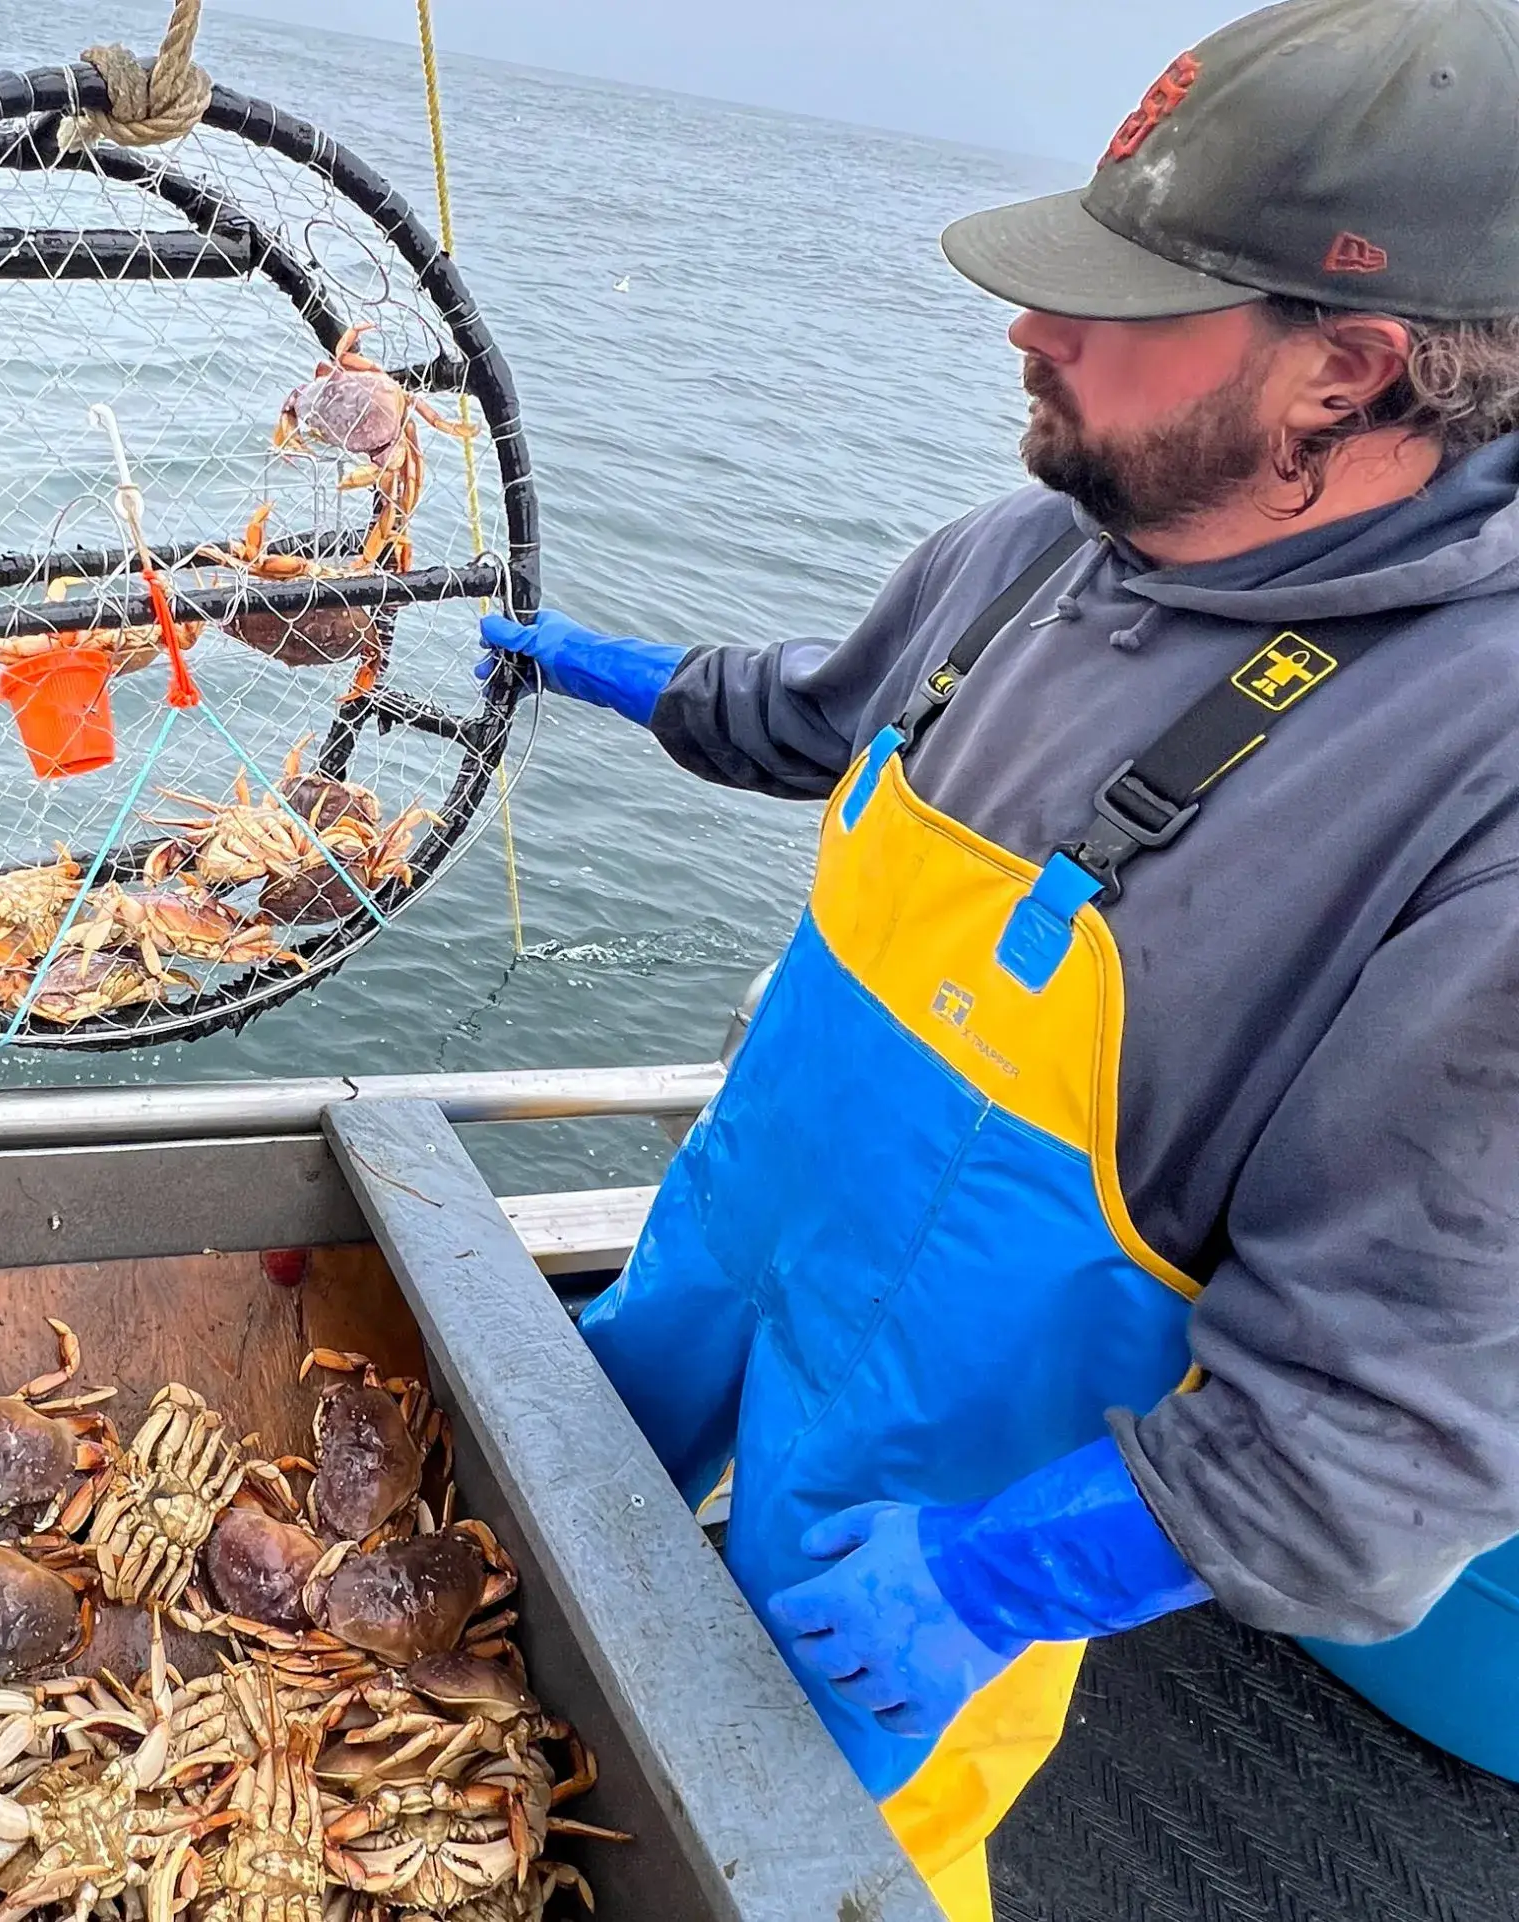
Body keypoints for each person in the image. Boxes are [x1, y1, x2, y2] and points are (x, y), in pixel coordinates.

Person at [482, 1, 1519, 1914]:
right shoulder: (1036, 545)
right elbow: (816, 714)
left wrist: (988, 1580)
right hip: (712, 1274)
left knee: (782, 1867)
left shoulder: (1477, 784)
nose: (1030, 325)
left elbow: (1383, 1441)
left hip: (931, 1522)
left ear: (1346, 372)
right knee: (479, 1629)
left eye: (1119, 302)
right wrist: (607, 672)